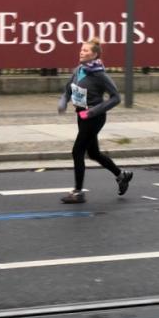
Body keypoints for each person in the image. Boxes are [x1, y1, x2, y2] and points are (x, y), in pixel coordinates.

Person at [57, 37, 133, 204]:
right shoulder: (78, 70)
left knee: (77, 151)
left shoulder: (100, 75)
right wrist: (63, 102)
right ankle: (122, 175)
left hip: (94, 118)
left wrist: (92, 111)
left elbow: (116, 98)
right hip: (81, 116)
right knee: (93, 153)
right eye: (81, 49)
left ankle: (78, 193)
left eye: (85, 50)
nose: (81, 52)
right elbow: (68, 90)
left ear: (94, 55)